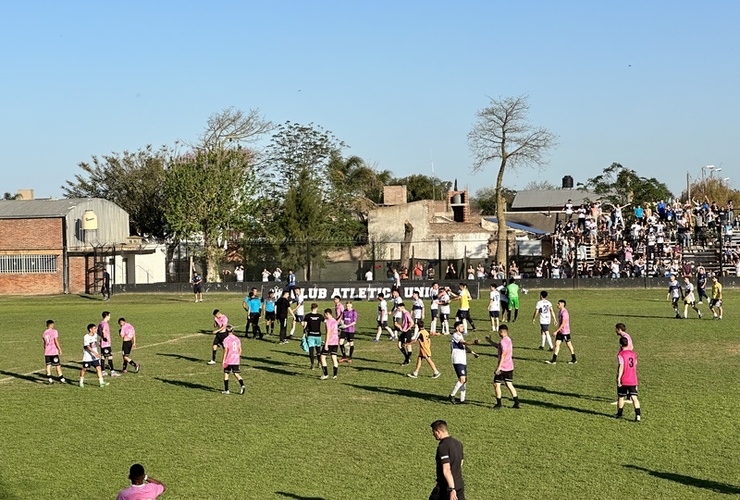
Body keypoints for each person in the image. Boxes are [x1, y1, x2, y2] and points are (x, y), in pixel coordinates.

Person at [486, 324, 520, 409]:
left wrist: (499, 368)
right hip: (510, 366)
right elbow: (499, 347)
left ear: (501, 332)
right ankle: (516, 403)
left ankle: (499, 404)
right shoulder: (508, 340)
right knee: (509, 384)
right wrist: (490, 341)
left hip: (503, 367)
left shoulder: (503, 341)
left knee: (496, 384)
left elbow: (503, 354)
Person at [430, 420, 465, 500]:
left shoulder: (443, 447)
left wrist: (451, 489)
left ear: (438, 431)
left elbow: (446, 469)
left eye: (433, 432)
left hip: (445, 488)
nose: (433, 434)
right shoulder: (458, 443)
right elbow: (461, 462)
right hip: (459, 485)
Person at [449, 322, 479, 404]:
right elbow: (463, 343)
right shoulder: (455, 335)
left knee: (464, 379)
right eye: (461, 326)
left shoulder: (460, 335)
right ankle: (452, 395)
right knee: (462, 379)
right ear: (457, 328)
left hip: (462, 360)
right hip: (457, 359)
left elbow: (464, 346)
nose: (463, 327)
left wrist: (473, 353)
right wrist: (473, 342)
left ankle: (462, 399)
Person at [614, 336, 642, 422]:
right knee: (634, 397)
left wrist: (618, 378)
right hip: (633, 379)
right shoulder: (634, 354)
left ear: (620, 344)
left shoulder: (621, 355)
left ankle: (619, 414)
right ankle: (638, 415)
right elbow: (635, 364)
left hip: (624, 379)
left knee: (621, 396)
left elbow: (621, 367)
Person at [546, 300, 577, 365]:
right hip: (560, 332)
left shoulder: (564, 312)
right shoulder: (560, 311)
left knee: (569, 345)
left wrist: (556, 331)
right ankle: (553, 360)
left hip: (565, 332)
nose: (557, 304)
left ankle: (574, 359)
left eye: (559, 303)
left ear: (563, 304)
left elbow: (563, 323)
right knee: (557, 344)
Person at [79, 323, 109, 388]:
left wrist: (100, 343)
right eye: (94, 328)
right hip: (88, 357)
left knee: (98, 368)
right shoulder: (86, 337)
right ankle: (81, 381)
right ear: (90, 329)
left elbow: (95, 342)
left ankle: (101, 382)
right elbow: (87, 347)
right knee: (84, 369)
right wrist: (95, 353)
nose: (96, 329)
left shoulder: (95, 335)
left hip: (95, 357)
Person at [221, 326, 245, 395]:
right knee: (236, 374)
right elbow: (240, 349)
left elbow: (226, 350)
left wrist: (223, 360)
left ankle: (226, 390)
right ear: (232, 331)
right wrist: (237, 356)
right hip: (236, 359)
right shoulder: (237, 339)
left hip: (229, 359)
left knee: (226, 374)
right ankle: (242, 385)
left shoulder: (226, 339)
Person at [42, 320, 66, 384]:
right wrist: (59, 349)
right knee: (58, 365)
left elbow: (44, 344)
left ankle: (50, 379)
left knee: (48, 365)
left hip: (47, 352)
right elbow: (56, 340)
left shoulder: (44, 333)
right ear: (52, 324)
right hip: (53, 351)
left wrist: (45, 349)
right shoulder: (54, 331)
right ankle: (61, 378)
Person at [98, 311, 120, 377]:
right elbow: (103, 331)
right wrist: (105, 338)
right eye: (109, 316)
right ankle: (112, 371)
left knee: (103, 356)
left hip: (102, 342)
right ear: (106, 316)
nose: (110, 317)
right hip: (106, 343)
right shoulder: (105, 324)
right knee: (110, 357)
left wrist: (101, 337)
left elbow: (98, 332)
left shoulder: (100, 323)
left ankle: (103, 371)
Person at [320, 308, 339, 380]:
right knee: (334, 358)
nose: (324, 315)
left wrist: (326, 344)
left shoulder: (328, 322)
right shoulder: (335, 321)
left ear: (327, 314)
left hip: (330, 342)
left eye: (324, 314)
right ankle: (335, 375)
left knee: (322, 357)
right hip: (335, 342)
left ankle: (325, 374)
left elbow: (328, 332)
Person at [303, 303, 324, 369]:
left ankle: (312, 365)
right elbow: (326, 321)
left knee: (311, 350)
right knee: (318, 350)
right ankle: (319, 363)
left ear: (311, 308)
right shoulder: (320, 316)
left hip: (310, 335)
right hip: (318, 335)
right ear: (317, 308)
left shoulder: (307, 316)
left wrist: (304, 333)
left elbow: (304, 326)